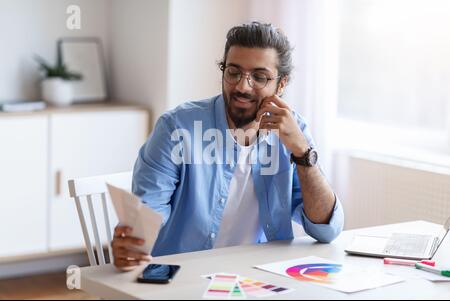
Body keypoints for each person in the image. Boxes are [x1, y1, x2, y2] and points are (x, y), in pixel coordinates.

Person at [112, 22, 344, 271]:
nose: (243, 87)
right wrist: (133, 242)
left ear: (281, 84)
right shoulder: (177, 127)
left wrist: (302, 152)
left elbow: (326, 228)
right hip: (184, 277)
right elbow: (147, 215)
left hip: (261, 278)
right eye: (234, 72)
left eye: (259, 76)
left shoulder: (293, 131)